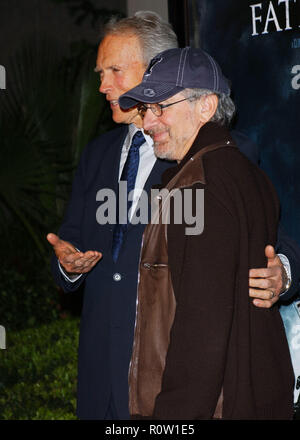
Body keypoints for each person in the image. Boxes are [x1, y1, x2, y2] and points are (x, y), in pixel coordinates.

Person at [46, 12, 299, 420]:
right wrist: (70, 265)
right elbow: (71, 240)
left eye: (114, 69)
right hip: (104, 379)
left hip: (175, 382)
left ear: (156, 69)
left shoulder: (220, 159)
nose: (103, 85)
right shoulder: (97, 157)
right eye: (100, 73)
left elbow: (266, 236)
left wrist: (281, 272)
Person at [119, 46, 295, 419]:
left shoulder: (198, 184)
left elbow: (202, 327)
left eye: (160, 107)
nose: (148, 124)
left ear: (206, 106)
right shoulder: (244, 173)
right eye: (145, 110)